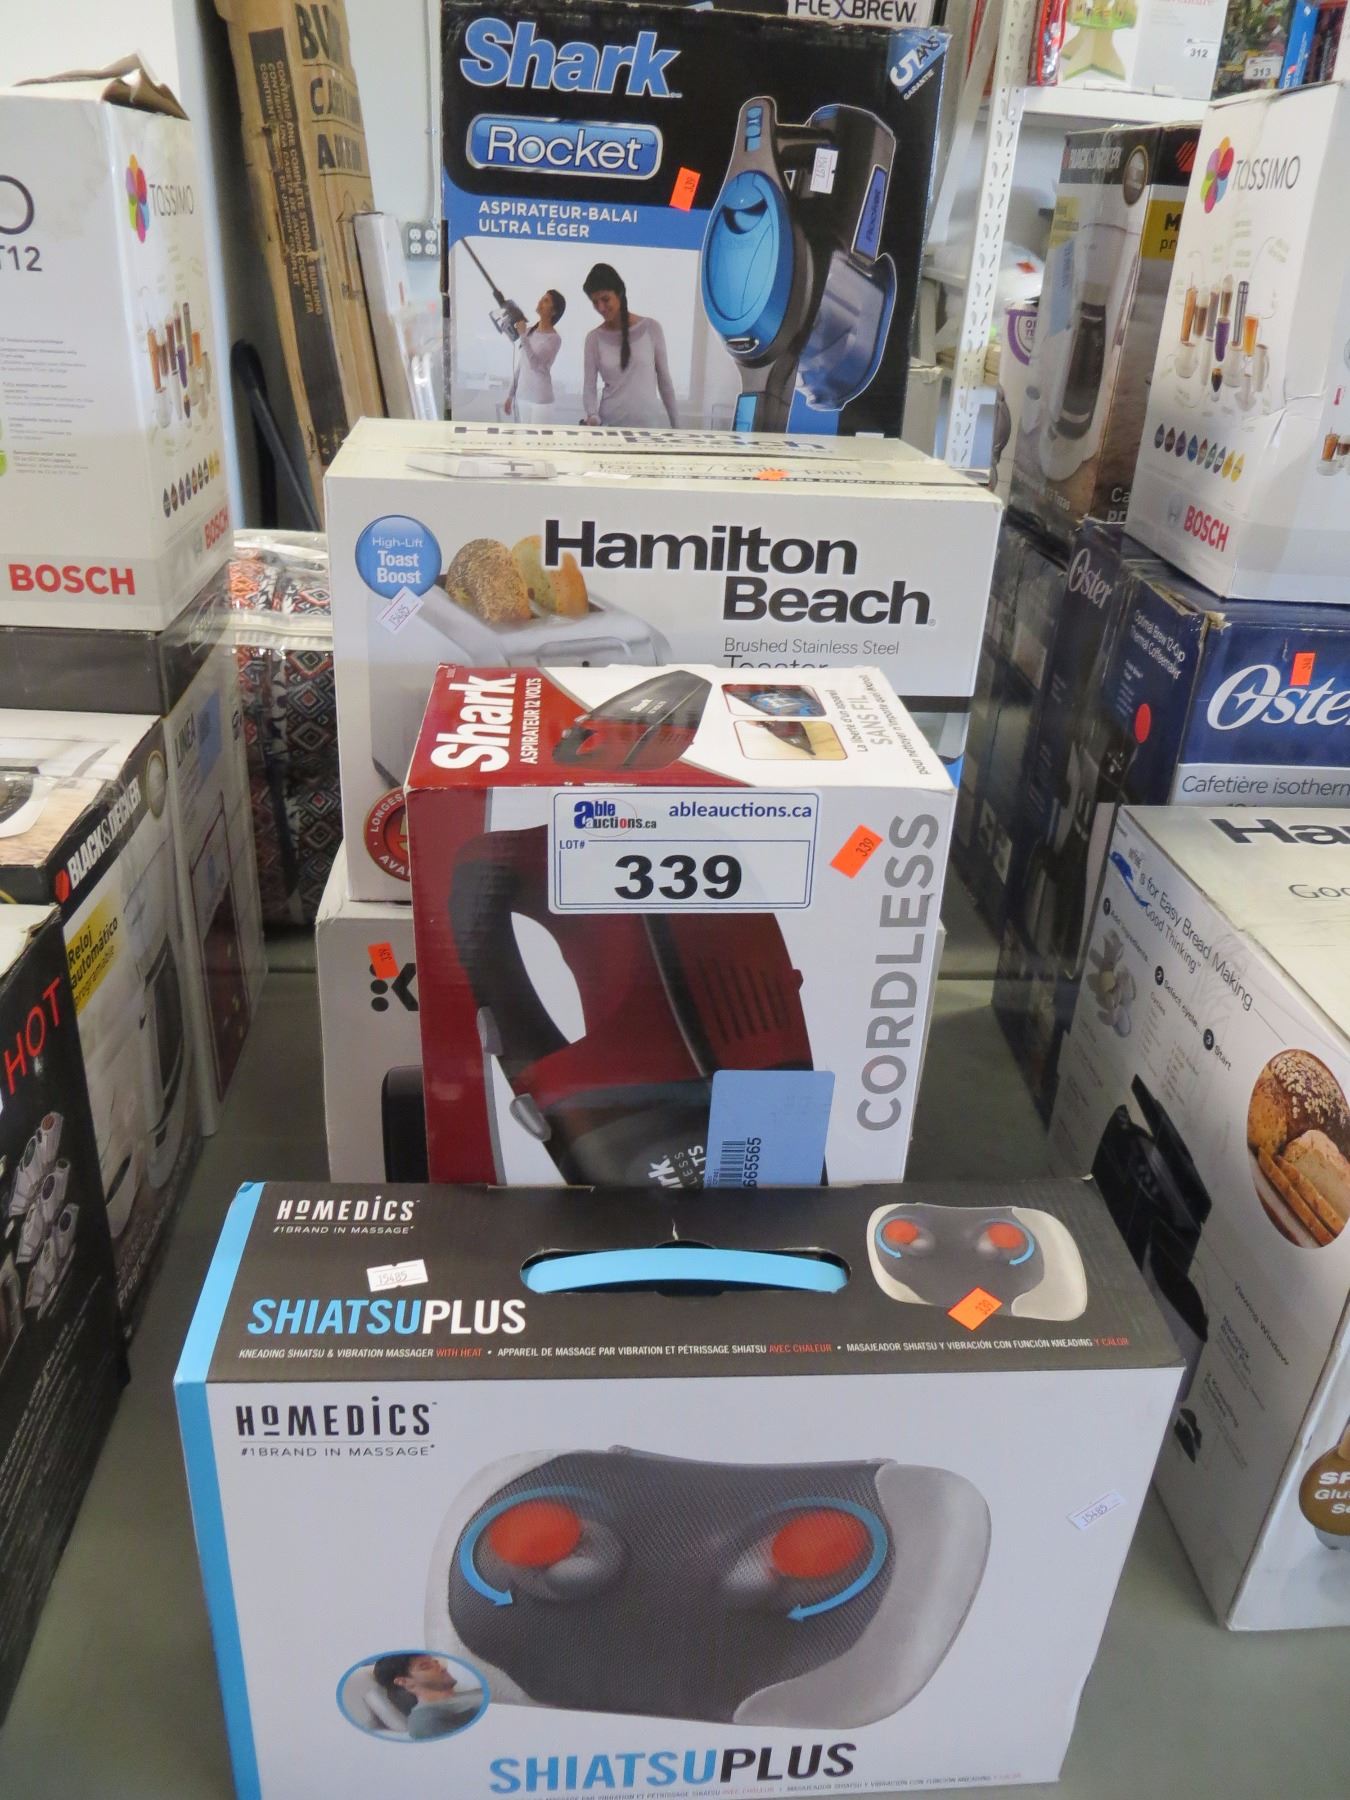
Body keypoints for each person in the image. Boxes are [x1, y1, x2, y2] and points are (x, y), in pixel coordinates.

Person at [581, 262, 679, 428]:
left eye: (605, 299)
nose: (601, 307)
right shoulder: (594, 338)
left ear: (619, 293)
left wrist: (677, 426)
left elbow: (664, 381)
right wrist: (592, 415)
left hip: (648, 426)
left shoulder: (651, 328)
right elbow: (589, 386)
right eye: (595, 302)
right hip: (610, 425)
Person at [371, 1654, 481, 1740]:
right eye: (426, 1666)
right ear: (404, 1682)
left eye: (436, 1663)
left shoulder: (466, 1696)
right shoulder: (424, 1720)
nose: (443, 1668)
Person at [504, 289, 565, 423]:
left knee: (538, 437)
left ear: (554, 311)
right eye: (542, 298)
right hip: (523, 397)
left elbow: (535, 365)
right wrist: (510, 395)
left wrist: (522, 335)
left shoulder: (554, 339)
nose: (540, 301)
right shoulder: (529, 331)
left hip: (541, 401)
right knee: (524, 435)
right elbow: (521, 366)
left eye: (546, 300)